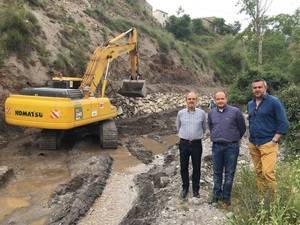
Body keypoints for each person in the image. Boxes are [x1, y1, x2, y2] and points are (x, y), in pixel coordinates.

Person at [247, 79, 288, 193]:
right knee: (259, 172)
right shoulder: (250, 104)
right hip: (253, 144)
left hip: (268, 143)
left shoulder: (274, 102)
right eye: (255, 88)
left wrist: (274, 140)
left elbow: (283, 122)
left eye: (259, 87)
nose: (257, 90)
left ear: (265, 88)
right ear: (252, 89)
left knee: (268, 172)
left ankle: (275, 202)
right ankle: (263, 198)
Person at [208, 91, 246, 208]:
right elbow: (211, 127)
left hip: (232, 147)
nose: (220, 101)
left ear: (226, 99)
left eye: (222, 98)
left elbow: (242, 128)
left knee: (229, 173)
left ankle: (226, 199)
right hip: (217, 146)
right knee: (217, 172)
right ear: (215, 100)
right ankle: (216, 196)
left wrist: (233, 138)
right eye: (218, 99)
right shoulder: (211, 113)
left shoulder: (236, 112)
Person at [176, 91, 206, 199]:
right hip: (183, 143)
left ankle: (196, 190)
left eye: (193, 99)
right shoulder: (180, 113)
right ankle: (185, 188)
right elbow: (178, 127)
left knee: (196, 167)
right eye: (189, 99)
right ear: (186, 101)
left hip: (196, 144)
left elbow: (204, 128)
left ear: (196, 101)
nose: (191, 101)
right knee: (183, 167)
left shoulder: (202, 113)